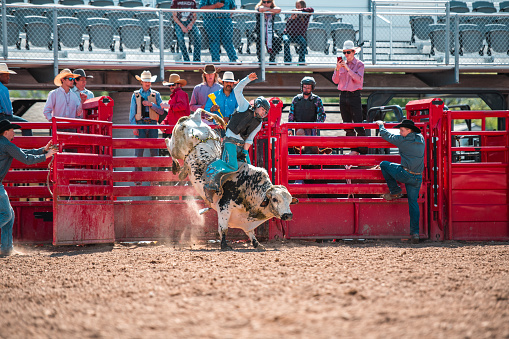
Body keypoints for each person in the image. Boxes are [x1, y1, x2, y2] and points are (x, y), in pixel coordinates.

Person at [204, 72, 270, 192]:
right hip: (229, 139)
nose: (263, 113)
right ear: (258, 105)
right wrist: (247, 79)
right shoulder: (244, 105)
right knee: (233, 166)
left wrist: (245, 152)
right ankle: (212, 169)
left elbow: (250, 138)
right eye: (262, 109)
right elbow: (238, 90)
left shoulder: (259, 123)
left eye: (265, 111)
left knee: (249, 168)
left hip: (240, 144)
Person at [0, 120, 57, 256]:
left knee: (10, 215)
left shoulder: (5, 144)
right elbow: (26, 159)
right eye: (12, 130)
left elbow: (21, 152)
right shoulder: (6, 145)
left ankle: (7, 248)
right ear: (6, 132)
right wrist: (46, 156)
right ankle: (6, 247)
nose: (14, 132)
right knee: (7, 215)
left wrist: (43, 150)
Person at [375, 119, 425, 244]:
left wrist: (381, 125)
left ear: (409, 131)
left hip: (405, 174)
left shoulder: (403, 140)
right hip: (418, 177)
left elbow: (386, 135)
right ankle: (415, 233)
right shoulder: (421, 139)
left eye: (402, 130)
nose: (400, 132)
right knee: (413, 204)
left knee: (384, 164)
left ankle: (395, 190)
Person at [332, 40, 365, 155]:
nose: (346, 55)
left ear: (354, 52)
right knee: (347, 125)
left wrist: (347, 68)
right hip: (343, 96)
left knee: (358, 124)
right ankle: (354, 150)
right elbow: (335, 81)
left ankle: (363, 151)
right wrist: (337, 68)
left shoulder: (360, 64)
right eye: (345, 52)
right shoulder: (341, 65)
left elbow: (359, 80)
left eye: (348, 52)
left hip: (354, 95)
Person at [128, 71, 164, 177]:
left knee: (154, 152)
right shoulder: (135, 95)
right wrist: (134, 126)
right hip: (140, 124)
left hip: (152, 124)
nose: (147, 83)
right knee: (139, 152)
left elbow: (161, 111)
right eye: (145, 81)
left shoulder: (156, 94)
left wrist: (151, 105)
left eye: (149, 81)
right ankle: (138, 177)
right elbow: (132, 113)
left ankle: (154, 177)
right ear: (141, 82)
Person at [0, 64, 32, 137]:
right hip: (1, 117)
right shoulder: (2, 89)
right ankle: (27, 145)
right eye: (6, 75)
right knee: (27, 125)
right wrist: (9, 116)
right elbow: (7, 109)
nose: (8, 78)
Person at [160, 73, 190, 138]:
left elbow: (182, 106)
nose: (171, 87)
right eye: (169, 85)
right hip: (175, 130)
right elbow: (169, 115)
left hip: (179, 129)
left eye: (173, 85)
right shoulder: (174, 96)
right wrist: (164, 123)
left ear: (179, 85)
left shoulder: (180, 93)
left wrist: (169, 106)